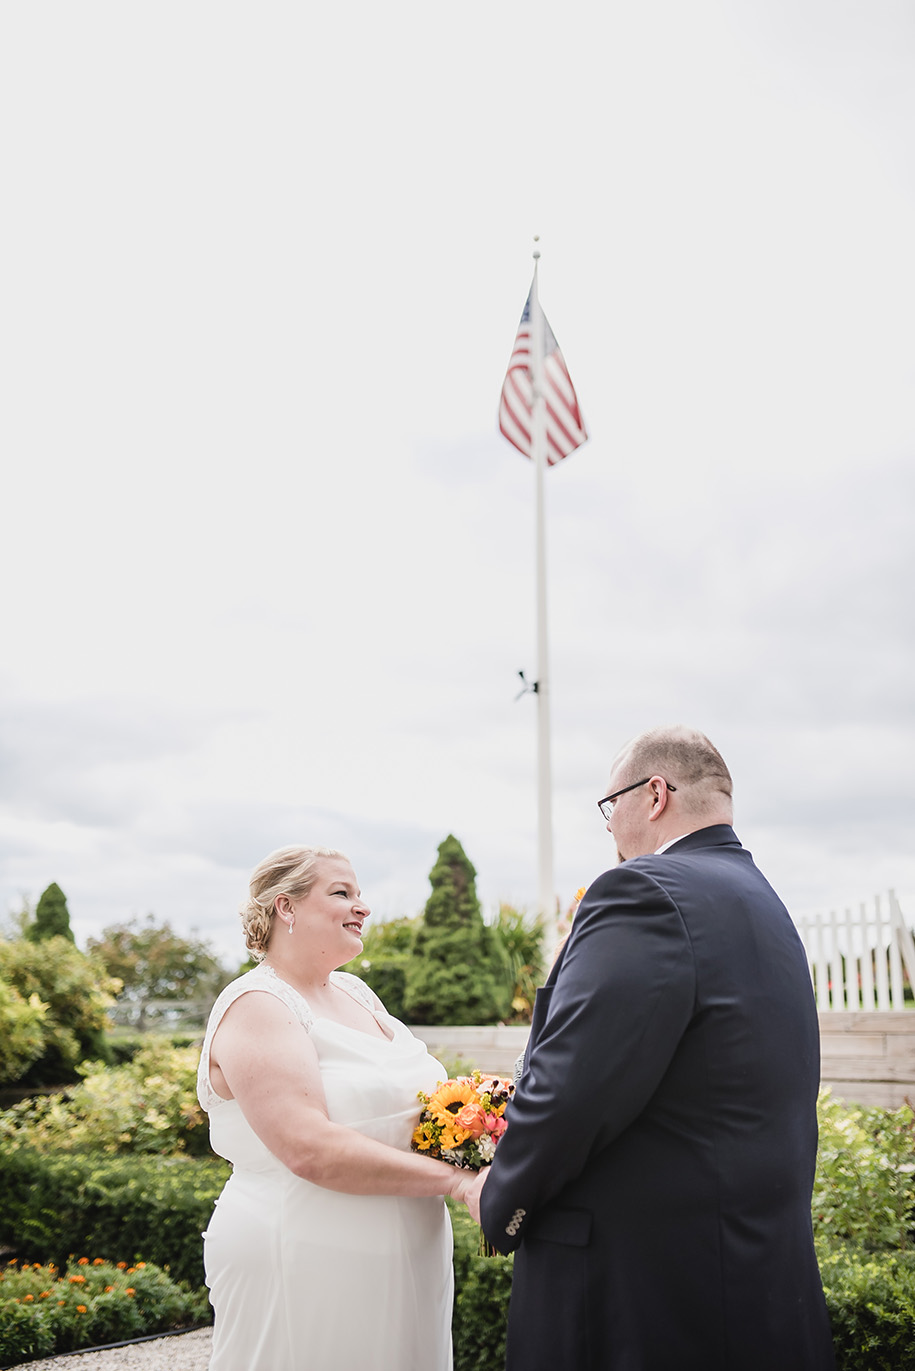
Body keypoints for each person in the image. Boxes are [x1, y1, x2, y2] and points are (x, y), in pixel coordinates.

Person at [468, 725, 836, 1371]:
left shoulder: (642, 891)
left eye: (610, 808)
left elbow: (572, 1087)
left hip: (638, 1295)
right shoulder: (765, 904)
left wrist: (500, 1198)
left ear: (655, 794)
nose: (610, 829)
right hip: (750, 1278)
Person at [196, 845, 474, 1371]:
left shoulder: (356, 992)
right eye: (342, 893)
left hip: (410, 1252)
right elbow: (309, 1148)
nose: (362, 907)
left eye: (360, 894)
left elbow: (419, 1102)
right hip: (304, 1251)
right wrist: (457, 1181)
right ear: (286, 907)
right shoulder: (257, 1004)